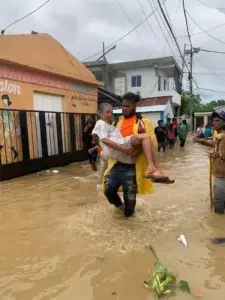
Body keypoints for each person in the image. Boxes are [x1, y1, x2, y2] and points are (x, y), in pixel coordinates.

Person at [102, 93, 174, 218]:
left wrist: (138, 149)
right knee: (108, 190)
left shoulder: (143, 121)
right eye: (122, 106)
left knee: (130, 196)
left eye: (127, 106)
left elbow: (152, 143)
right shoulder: (117, 121)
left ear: (135, 106)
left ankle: (129, 220)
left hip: (132, 165)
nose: (124, 108)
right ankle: (119, 207)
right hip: (117, 162)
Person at [92, 103, 168, 180]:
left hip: (121, 153)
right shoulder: (101, 123)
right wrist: (124, 150)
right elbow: (104, 140)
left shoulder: (109, 124)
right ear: (100, 113)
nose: (110, 115)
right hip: (120, 148)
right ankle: (153, 168)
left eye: (111, 113)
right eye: (107, 112)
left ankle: (155, 170)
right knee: (146, 136)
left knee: (148, 140)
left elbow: (98, 137)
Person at [194, 110, 225, 214]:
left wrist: (219, 155)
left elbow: (221, 152)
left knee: (218, 208)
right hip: (219, 175)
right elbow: (213, 143)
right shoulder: (219, 136)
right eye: (213, 120)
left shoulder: (223, 136)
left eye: (217, 120)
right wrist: (200, 141)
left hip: (222, 176)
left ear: (224, 122)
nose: (214, 122)